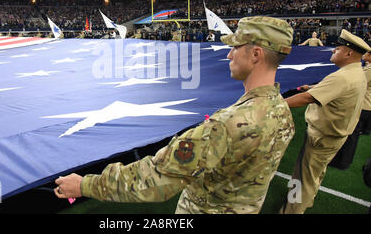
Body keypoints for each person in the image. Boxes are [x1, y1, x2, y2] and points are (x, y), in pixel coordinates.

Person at [53, 16, 295, 214]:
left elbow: (157, 177)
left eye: (236, 47)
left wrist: (84, 185)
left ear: (256, 55)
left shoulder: (226, 125)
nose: (230, 54)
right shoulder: (282, 110)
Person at [280, 29, 371, 214]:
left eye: (337, 49)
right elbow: (335, 90)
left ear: (348, 53)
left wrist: (274, 105)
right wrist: (314, 87)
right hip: (334, 136)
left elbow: (306, 98)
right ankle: (307, 200)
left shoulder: (342, 76)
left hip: (322, 136)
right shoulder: (356, 72)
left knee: (302, 176)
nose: (333, 51)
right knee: (315, 173)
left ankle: (292, 209)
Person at [359, 50, 371, 135]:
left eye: (366, 53)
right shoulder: (368, 66)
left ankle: (364, 129)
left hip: (365, 102)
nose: (363, 55)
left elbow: (361, 82)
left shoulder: (369, 69)